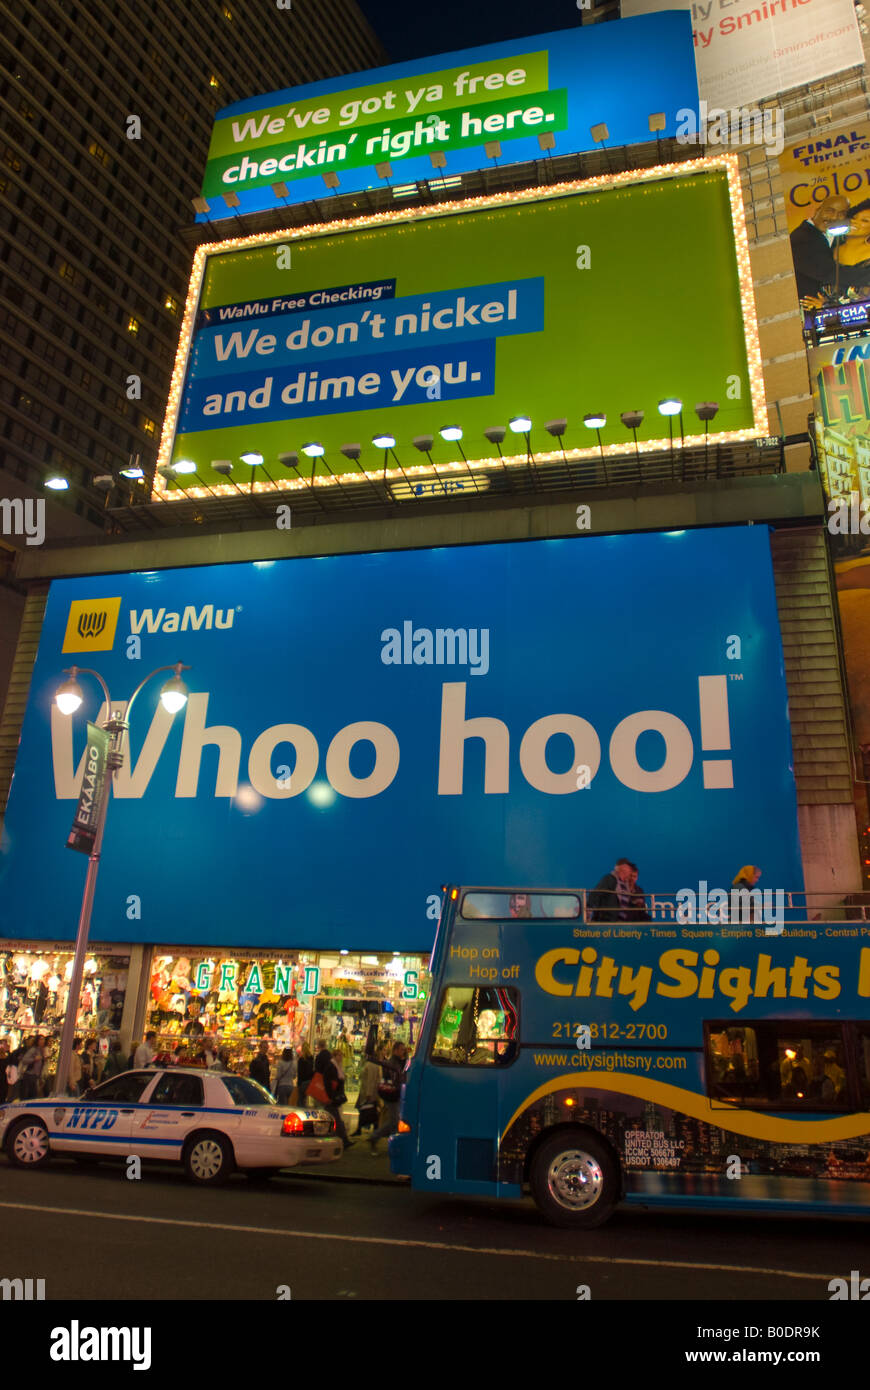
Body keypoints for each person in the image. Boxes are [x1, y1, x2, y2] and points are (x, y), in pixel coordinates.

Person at [789, 195, 851, 304]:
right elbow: (828, 273)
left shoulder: (841, 236)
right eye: (829, 211)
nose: (834, 217)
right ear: (818, 210)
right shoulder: (800, 238)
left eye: (841, 214)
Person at [369, 1041, 406, 1156]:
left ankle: (392, 1145)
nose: (403, 1052)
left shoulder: (399, 1061)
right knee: (394, 1121)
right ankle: (377, 1138)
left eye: (403, 1050)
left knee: (395, 1121)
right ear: (395, 1050)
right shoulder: (393, 1062)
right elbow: (397, 1078)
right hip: (392, 1094)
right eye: (401, 1049)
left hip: (395, 1094)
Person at [314, 1041, 352, 1149]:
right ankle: (343, 1140)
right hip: (332, 1097)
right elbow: (328, 1082)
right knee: (337, 1120)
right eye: (339, 1055)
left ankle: (336, 1139)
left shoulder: (337, 1067)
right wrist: (331, 1095)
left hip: (334, 1097)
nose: (341, 1057)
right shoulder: (332, 1066)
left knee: (333, 1119)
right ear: (334, 1056)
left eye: (341, 1055)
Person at [354, 1052, 382, 1135]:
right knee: (370, 1110)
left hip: (368, 1092)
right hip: (369, 1092)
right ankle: (374, 1130)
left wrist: (368, 1094)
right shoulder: (374, 1065)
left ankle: (363, 1129)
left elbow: (370, 1080)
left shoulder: (370, 1065)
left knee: (367, 1110)